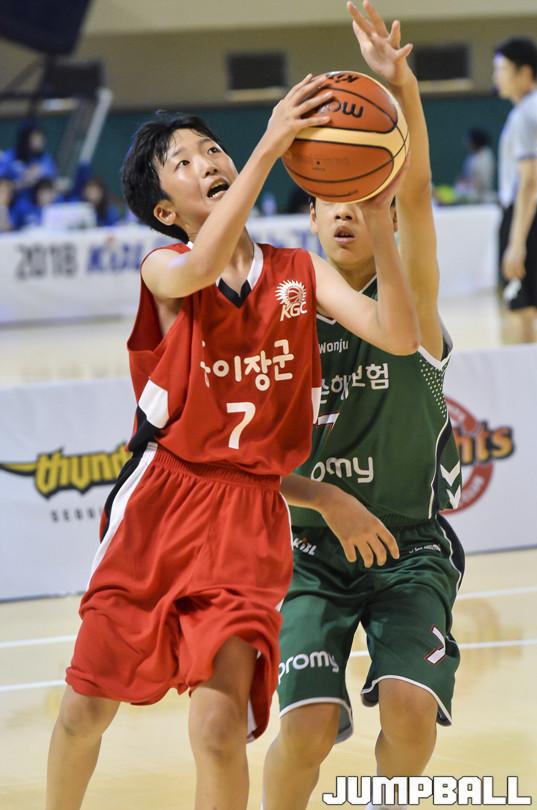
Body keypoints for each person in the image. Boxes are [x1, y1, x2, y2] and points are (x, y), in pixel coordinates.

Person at [45, 74, 419, 810]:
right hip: (161, 506)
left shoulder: (299, 272)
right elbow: (198, 267)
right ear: (164, 210)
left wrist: (379, 219)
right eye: (183, 162)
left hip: (248, 520)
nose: (208, 162)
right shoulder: (164, 269)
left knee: (219, 730)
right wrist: (270, 146)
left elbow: (399, 336)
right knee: (86, 708)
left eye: (213, 149)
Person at [263, 4, 465, 809]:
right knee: (308, 729)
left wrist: (400, 88)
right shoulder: (280, 315)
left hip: (410, 546)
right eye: (331, 200)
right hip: (307, 551)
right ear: (310, 215)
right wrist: (325, 499)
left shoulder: (411, 301)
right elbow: (239, 459)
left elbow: (416, 196)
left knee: (411, 716)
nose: (347, 211)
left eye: (361, 196)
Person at [493, 36, 537, 343]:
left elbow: (529, 180)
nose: (497, 76)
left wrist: (517, 242)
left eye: (502, 69)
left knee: (523, 311)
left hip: (527, 217)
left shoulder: (526, 115)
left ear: (525, 72)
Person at [455, 128, 496, 201]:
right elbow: (465, 177)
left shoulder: (486, 156)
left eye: (469, 140)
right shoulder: (470, 158)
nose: (467, 142)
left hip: (483, 196)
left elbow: (483, 182)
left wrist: (469, 183)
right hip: (470, 193)